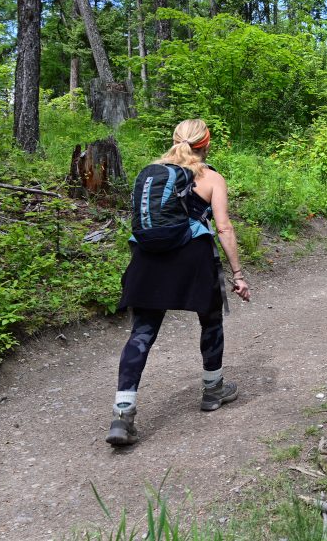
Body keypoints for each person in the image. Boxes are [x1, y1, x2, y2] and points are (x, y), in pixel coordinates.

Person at [106, 119, 251, 447]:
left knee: (142, 332)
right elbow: (224, 228)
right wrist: (238, 275)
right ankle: (213, 390)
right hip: (192, 257)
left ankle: (122, 413)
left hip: (148, 258)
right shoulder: (211, 177)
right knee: (210, 318)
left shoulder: (151, 173)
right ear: (206, 144)